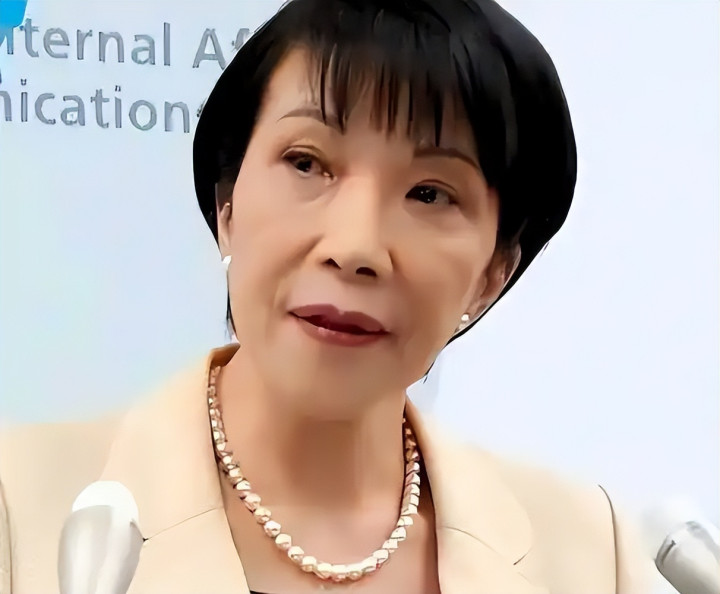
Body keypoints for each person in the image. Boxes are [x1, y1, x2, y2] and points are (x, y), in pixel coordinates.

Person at [0, 0, 666, 592]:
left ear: (492, 273)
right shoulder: (18, 508)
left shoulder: (589, 552)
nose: (354, 247)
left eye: (430, 194)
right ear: (227, 205)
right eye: (307, 162)